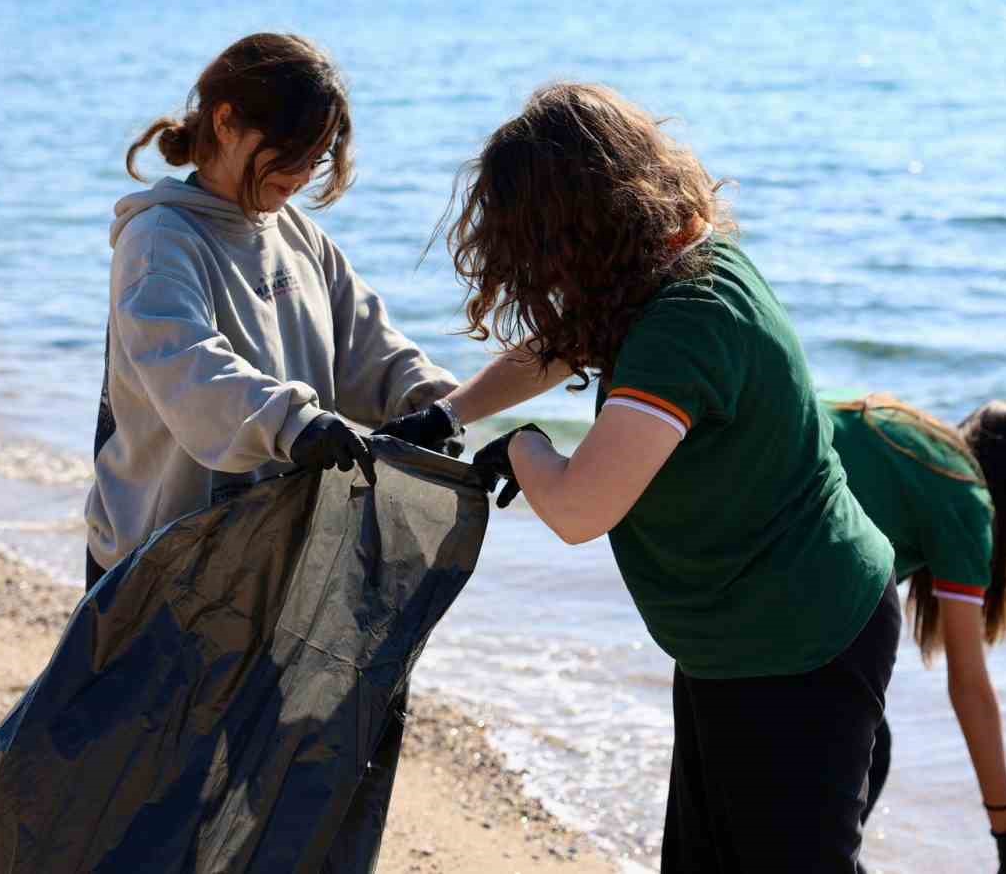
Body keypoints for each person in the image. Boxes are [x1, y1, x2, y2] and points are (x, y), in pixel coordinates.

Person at [378, 82, 900, 872]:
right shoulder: (678, 266)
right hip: (741, 640)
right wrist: (452, 413)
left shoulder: (683, 323)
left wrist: (520, 448)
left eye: (538, 242)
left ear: (579, 226)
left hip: (804, 642)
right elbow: (560, 344)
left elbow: (581, 506)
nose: (536, 269)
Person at [85, 32, 458, 590]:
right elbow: (187, 365)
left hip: (266, 555)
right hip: (159, 562)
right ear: (227, 122)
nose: (306, 172)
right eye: (292, 151)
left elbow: (367, 345)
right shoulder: (160, 238)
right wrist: (294, 423)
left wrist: (440, 406)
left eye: (320, 155)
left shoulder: (297, 235)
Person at [825, 393, 1006, 873]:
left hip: (737, 556)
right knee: (867, 753)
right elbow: (969, 686)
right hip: (775, 608)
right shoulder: (962, 496)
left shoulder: (916, 447)